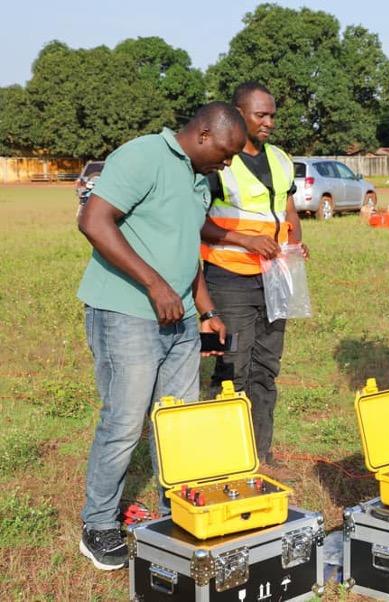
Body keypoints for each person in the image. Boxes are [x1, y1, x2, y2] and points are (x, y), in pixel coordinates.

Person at [76, 102, 247, 570]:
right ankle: (98, 525)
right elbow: (93, 221)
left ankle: (177, 511)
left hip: (182, 319)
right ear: (204, 134)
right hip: (126, 313)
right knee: (124, 423)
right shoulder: (144, 155)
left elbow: (185, 250)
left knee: (178, 424)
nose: (227, 164)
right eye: (226, 153)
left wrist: (207, 310)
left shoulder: (198, 178)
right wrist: (155, 285)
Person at [201, 82, 306, 466]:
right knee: (231, 367)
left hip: (275, 277)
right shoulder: (218, 161)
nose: (269, 123)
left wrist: (296, 243)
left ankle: (261, 453)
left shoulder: (280, 158)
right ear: (238, 113)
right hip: (228, 278)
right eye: (261, 115)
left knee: (266, 367)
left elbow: (288, 211)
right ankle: (227, 458)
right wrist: (245, 240)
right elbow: (195, 221)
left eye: (273, 115)